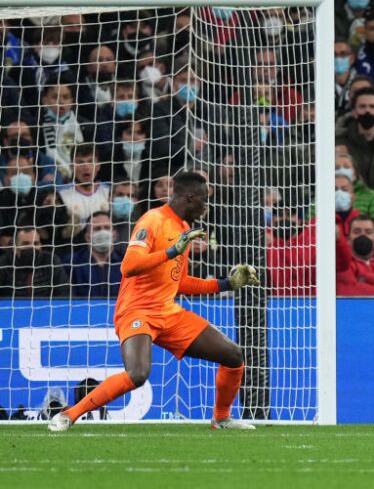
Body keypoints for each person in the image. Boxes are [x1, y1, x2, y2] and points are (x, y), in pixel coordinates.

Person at [48, 172, 261, 432]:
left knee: (232, 354)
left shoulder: (183, 229)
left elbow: (179, 282)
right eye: (204, 200)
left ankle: (221, 418)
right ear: (189, 197)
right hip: (137, 311)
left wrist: (226, 284)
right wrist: (171, 251)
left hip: (168, 313)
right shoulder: (153, 220)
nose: (206, 207)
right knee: (138, 374)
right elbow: (128, 266)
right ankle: (69, 414)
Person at [68, 211, 124, 298]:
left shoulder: (125, 262)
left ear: (114, 235)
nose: (103, 232)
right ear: (87, 237)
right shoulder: (72, 262)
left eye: (107, 228)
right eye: (97, 229)